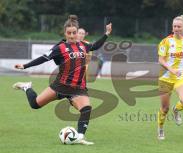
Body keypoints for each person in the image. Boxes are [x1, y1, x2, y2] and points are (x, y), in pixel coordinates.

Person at [13, 15, 112, 145]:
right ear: (65, 33)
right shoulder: (59, 48)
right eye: (69, 33)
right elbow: (43, 58)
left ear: (77, 32)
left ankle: (80, 136)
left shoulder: (83, 45)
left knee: (86, 109)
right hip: (60, 86)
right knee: (35, 105)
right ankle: (27, 87)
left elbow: (95, 46)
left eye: (74, 33)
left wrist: (106, 34)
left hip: (78, 89)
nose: (72, 36)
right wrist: (25, 66)